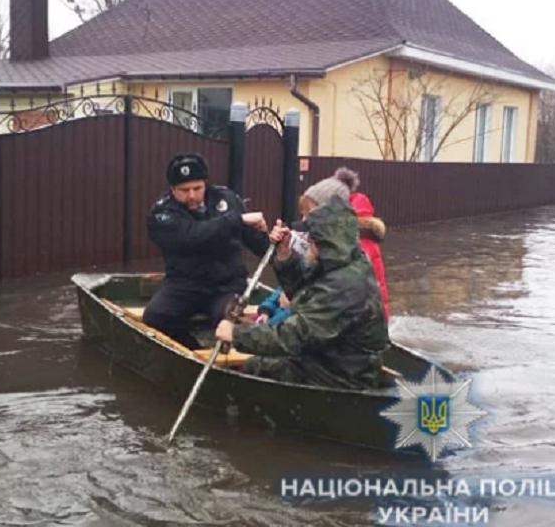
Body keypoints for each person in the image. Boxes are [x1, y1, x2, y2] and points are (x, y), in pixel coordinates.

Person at [215, 195, 390, 389]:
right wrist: (285, 256)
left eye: (312, 236)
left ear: (325, 241)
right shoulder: (345, 262)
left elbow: (296, 336)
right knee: (263, 361)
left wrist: (237, 334)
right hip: (332, 357)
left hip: (340, 375)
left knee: (255, 366)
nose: (307, 240)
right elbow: (303, 291)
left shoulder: (344, 285)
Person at [144, 153, 270, 350]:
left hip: (227, 284)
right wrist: (237, 220)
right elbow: (192, 236)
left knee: (227, 318)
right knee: (155, 317)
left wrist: (269, 237)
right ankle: (191, 350)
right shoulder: (162, 213)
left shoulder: (227, 199)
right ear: (172, 190)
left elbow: (256, 243)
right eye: (184, 190)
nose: (192, 195)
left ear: (205, 184)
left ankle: (244, 359)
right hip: (184, 284)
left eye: (197, 188)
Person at [299, 167, 390, 321]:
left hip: (362, 321)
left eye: (309, 214)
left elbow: (344, 291)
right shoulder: (338, 236)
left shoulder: (358, 242)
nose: (304, 221)